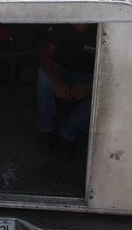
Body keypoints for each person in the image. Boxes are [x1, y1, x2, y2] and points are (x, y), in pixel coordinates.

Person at [36, 23, 97, 160]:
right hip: (63, 72)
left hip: (91, 76)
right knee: (43, 75)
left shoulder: (102, 28)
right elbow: (45, 55)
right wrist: (56, 81)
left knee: (105, 92)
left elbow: (115, 68)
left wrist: (92, 86)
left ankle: (67, 134)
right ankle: (46, 130)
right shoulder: (62, 26)